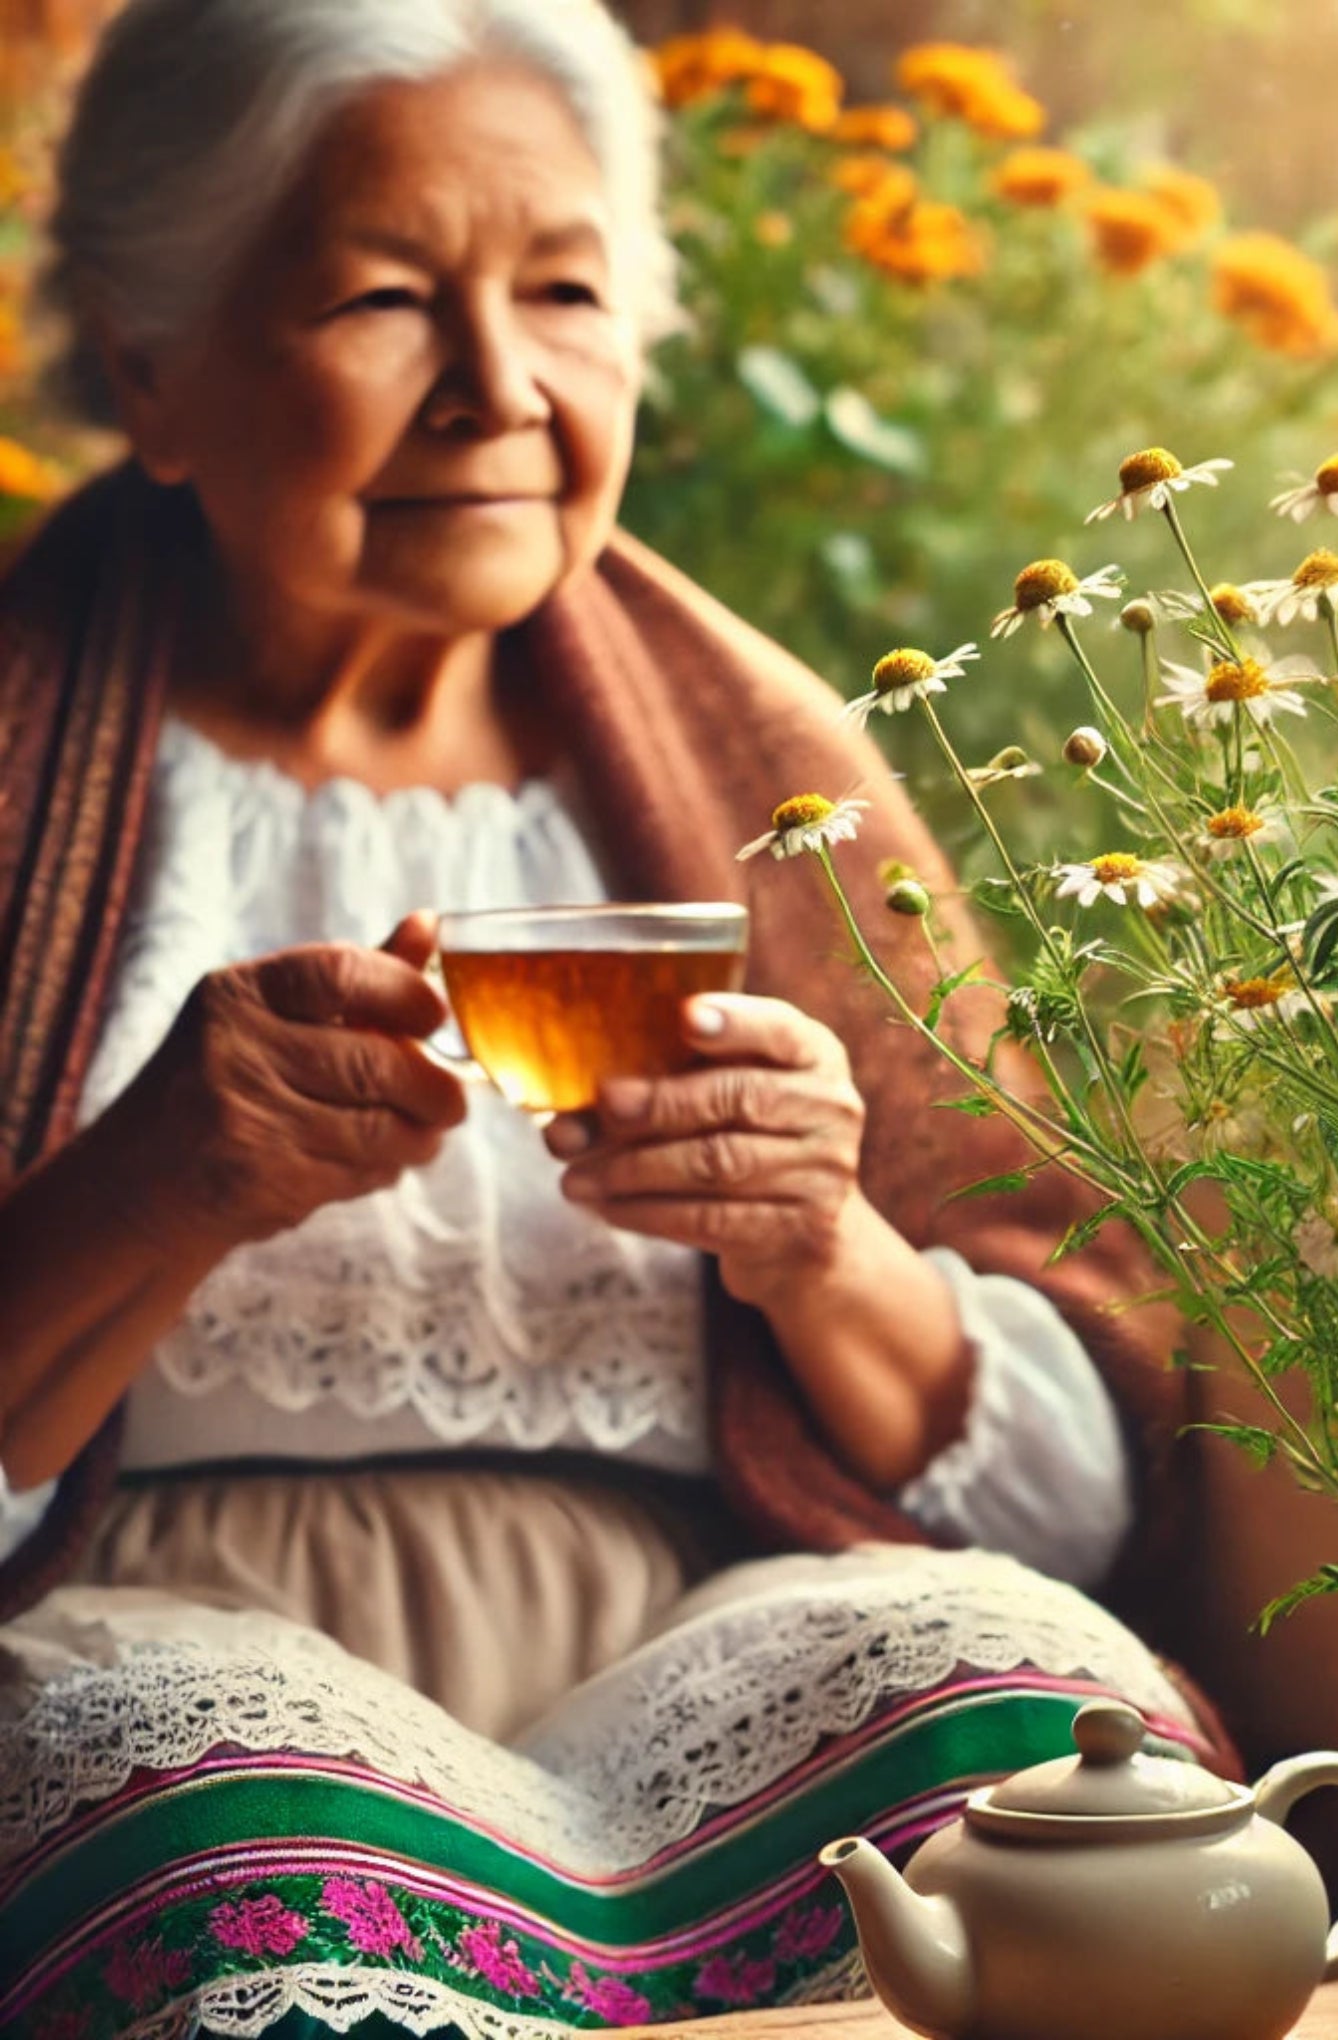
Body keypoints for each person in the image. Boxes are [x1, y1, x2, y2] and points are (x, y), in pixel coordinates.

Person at [0, 3, 1224, 2032]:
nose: (500, 389)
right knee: (253, 1889)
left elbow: (1085, 1482)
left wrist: (826, 1250)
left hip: (702, 1628)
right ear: (155, 366)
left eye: (564, 291)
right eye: (386, 297)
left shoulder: (766, 775)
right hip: (154, 1644)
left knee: (1059, 1759)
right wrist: (152, 1187)